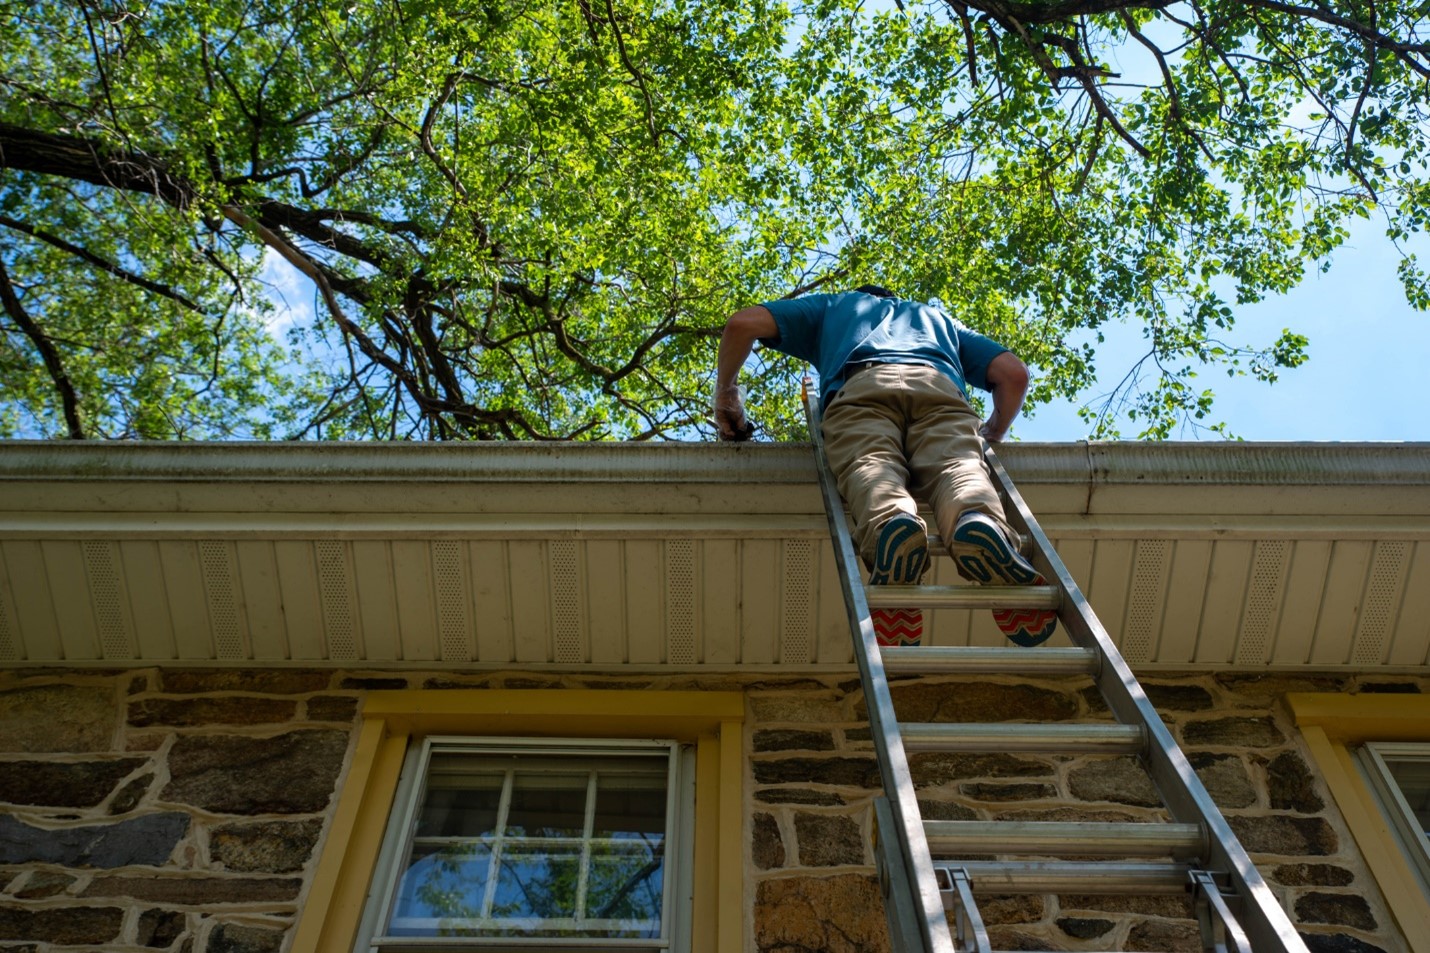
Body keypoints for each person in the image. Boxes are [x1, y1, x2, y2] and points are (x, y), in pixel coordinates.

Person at [714, 285, 1056, 647]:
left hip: (861, 388)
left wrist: (726, 394)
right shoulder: (937, 319)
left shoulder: (835, 306)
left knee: (871, 464)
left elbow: (741, 324)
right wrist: (993, 431)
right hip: (939, 388)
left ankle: (893, 524)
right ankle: (979, 522)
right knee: (960, 468)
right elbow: (1014, 374)